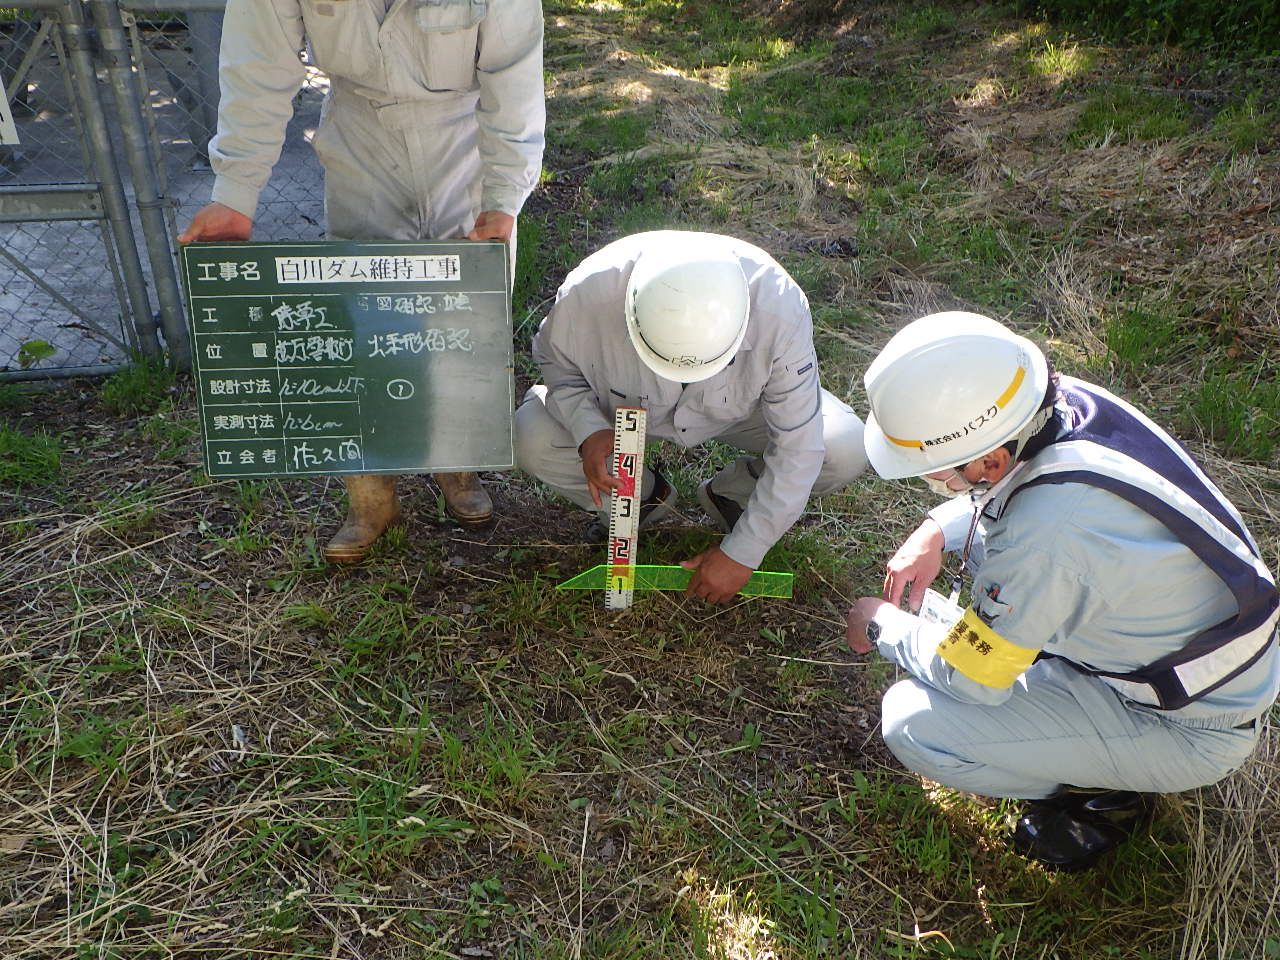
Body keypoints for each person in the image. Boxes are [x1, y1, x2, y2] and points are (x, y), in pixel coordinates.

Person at [846, 311, 1279, 870]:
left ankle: (1102, 796)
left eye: (938, 473)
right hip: (1208, 668)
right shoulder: (1054, 403)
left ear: (991, 459)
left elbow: (973, 679)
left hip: (1186, 727)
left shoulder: (1043, 539)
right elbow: (1026, 505)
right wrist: (936, 528)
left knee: (912, 721)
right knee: (990, 559)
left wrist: (884, 624)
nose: (937, 483)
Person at [179, 0, 545, 563]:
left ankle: (457, 468)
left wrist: (503, 199)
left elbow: (514, 75)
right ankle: (371, 498)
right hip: (360, 135)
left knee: (462, 322)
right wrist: (235, 192)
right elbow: (258, 64)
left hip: (466, 139)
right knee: (360, 328)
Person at [515, 230, 869, 604]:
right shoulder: (588, 293)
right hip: (619, 408)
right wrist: (588, 428)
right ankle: (646, 498)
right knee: (531, 437)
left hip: (743, 413)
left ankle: (733, 495)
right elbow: (555, 362)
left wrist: (744, 552)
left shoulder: (779, 308)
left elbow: (800, 446)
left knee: (843, 448)